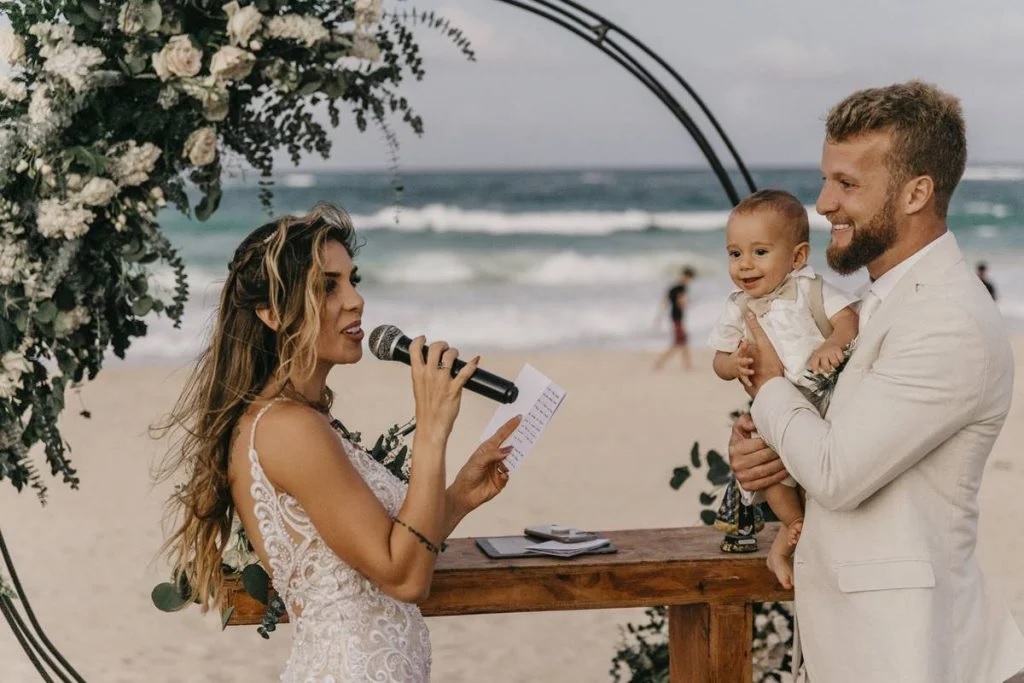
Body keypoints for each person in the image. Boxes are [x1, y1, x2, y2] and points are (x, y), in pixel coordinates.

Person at [728, 81, 1024, 682]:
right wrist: (771, 461)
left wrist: (769, 391)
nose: (824, 202)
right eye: (826, 179)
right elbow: (850, 459)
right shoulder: (874, 304)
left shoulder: (948, 320)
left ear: (917, 192)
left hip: (917, 654)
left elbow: (838, 473)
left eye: (848, 183)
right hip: (863, 645)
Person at [154, 203, 521, 681]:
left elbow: (378, 552)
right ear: (270, 312)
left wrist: (457, 499)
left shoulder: (300, 419)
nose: (355, 301)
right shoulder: (288, 429)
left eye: (353, 280)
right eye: (328, 286)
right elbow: (404, 577)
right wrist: (431, 431)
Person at [707, 188, 858, 589]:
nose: (744, 265)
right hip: (774, 410)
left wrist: (831, 343)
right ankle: (791, 526)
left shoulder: (810, 290)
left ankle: (802, 534)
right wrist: (733, 364)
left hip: (821, 403)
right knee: (766, 470)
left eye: (759, 252)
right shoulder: (738, 306)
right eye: (734, 254)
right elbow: (719, 360)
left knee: (813, 472)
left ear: (797, 257)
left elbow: (848, 320)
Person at [652, 266, 695, 370]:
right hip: (677, 317)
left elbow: (665, 300)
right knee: (678, 342)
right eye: (690, 278)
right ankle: (659, 362)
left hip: (674, 316)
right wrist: (688, 302)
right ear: (687, 276)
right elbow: (681, 303)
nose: (690, 281)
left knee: (682, 341)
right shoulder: (682, 288)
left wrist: (659, 317)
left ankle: (687, 365)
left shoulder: (673, 287)